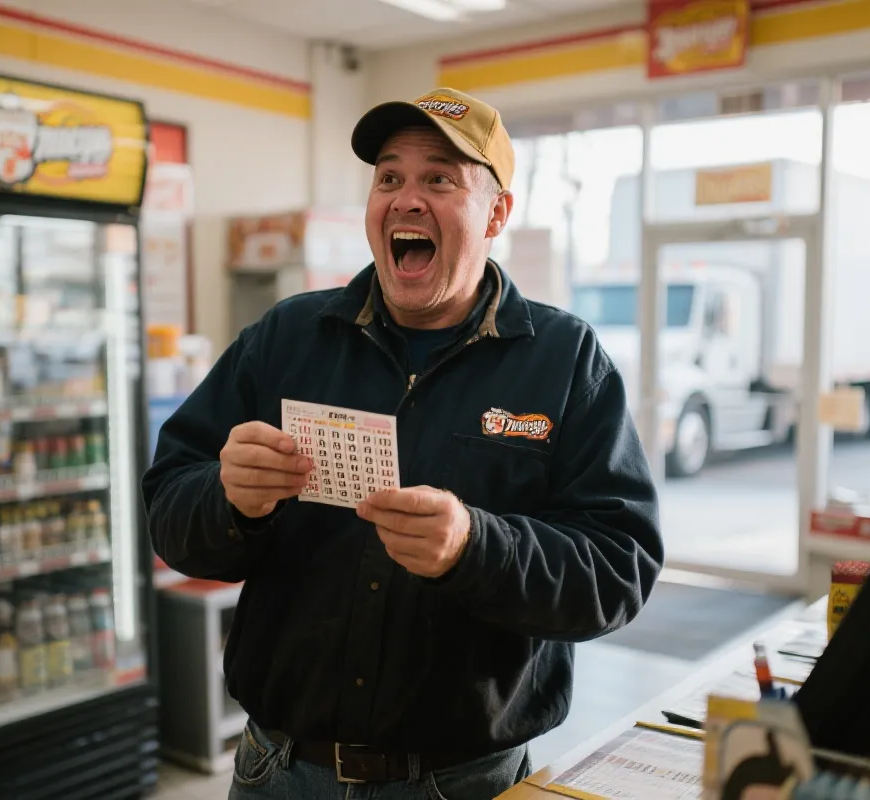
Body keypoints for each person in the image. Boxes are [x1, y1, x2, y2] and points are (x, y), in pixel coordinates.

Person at [142, 87, 664, 799]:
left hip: (464, 782)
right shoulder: (287, 338)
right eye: (389, 177)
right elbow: (172, 510)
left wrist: (476, 548)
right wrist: (227, 497)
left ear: (497, 214)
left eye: (439, 179)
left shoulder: (565, 360)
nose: (406, 199)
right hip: (276, 773)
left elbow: (617, 568)